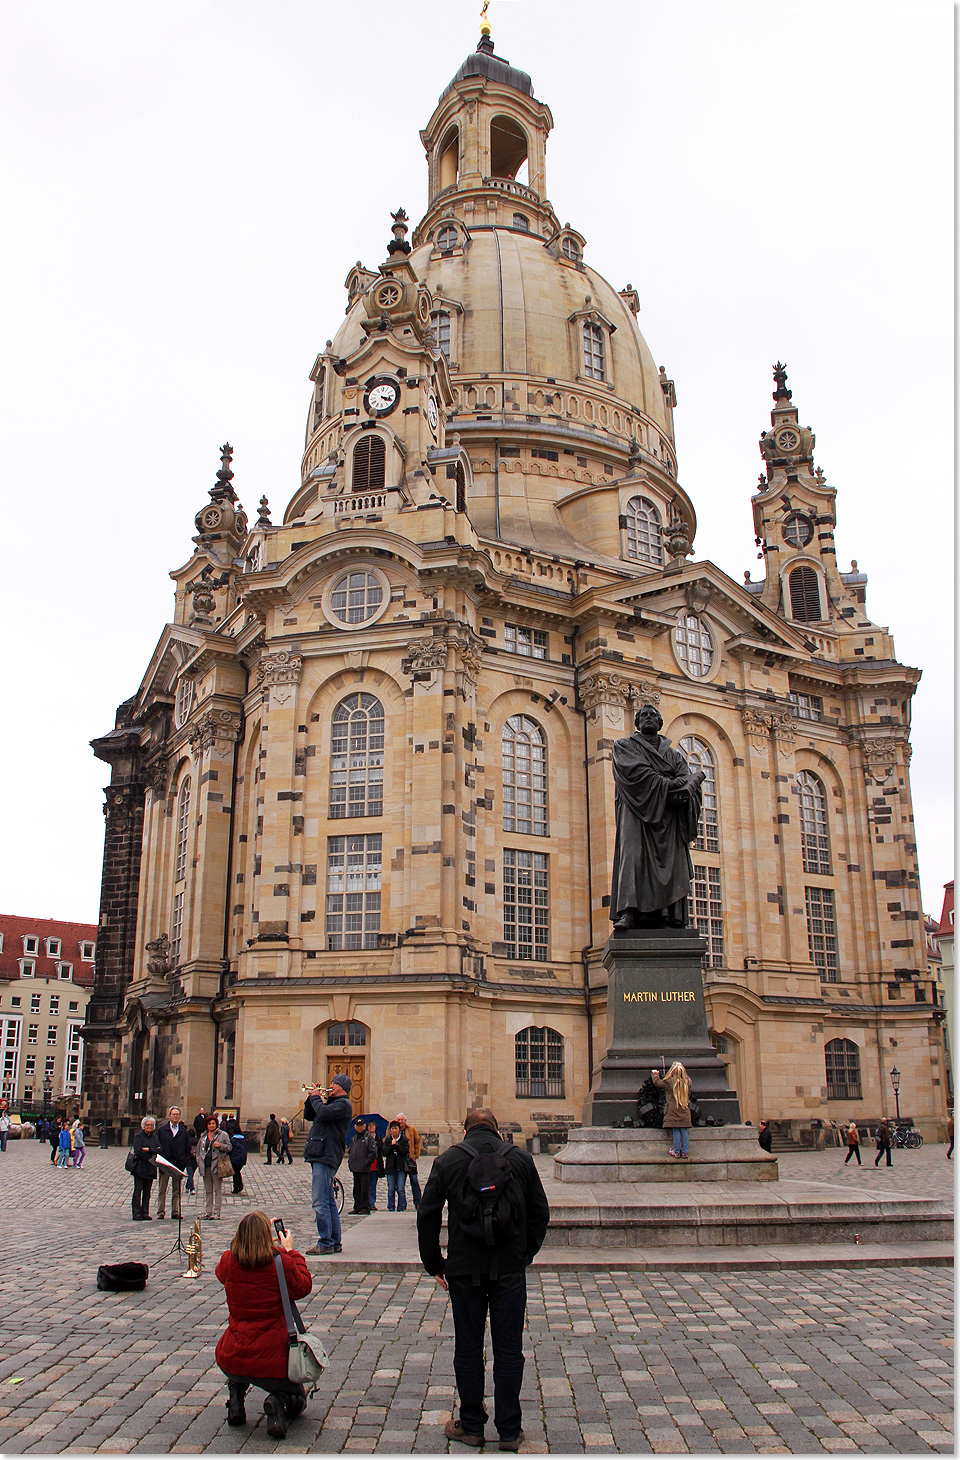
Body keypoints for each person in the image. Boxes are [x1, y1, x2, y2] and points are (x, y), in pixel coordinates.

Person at [418, 1107, 550, 1452]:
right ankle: (509, 1429)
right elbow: (540, 1213)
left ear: (465, 1131)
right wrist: (525, 1254)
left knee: (468, 1347)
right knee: (509, 1350)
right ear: (496, 1128)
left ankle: (473, 1426)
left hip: (463, 1269)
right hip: (508, 1269)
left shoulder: (448, 1161)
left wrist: (435, 1264)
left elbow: (427, 1215)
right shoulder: (519, 1159)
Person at [215, 1210, 312, 1440]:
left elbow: (222, 1271)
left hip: (233, 1355)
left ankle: (236, 1398)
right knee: (298, 1401)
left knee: (241, 1368)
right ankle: (276, 1401)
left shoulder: (229, 1261)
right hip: (272, 1360)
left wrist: (250, 1231)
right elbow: (304, 1286)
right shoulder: (281, 1263)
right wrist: (289, 1250)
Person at [610, 704, 705, 930]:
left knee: (672, 861)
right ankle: (629, 912)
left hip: (668, 818)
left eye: (653, 715)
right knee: (632, 856)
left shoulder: (674, 755)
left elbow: (687, 781)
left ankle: (670, 915)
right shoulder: (624, 746)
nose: (649, 718)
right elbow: (634, 774)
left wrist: (686, 787)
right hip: (635, 811)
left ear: (660, 723)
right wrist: (670, 784)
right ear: (638, 723)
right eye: (644, 715)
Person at [303, 1074, 353, 1254]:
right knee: (329, 1200)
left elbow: (323, 1112)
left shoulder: (343, 1105)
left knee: (320, 1201)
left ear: (342, 1087)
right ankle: (334, 1241)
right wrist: (311, 1099)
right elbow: (310, 1115)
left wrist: (317, 1096)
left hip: (326, 1154)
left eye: (334, 1083)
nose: (330, 1085)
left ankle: (325, 1242)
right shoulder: (332, 1104)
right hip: (320, 1152)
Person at [157, 1106, 193, 1217]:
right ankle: (161, 1211)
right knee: (162, 1189)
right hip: (165, 1164)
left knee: (176, 1190)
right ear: (170, 1116)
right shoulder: (162, 1130)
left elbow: (188, 1148)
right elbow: (158, 1145)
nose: (175, 1116)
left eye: (177, 1114)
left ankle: (175, 1211)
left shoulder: (183, 1131)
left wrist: (184, 1161)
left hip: (178, 1164)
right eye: (174, 1114)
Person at [651, 1061, 693, 1158]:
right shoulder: (687, 1082)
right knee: (684, 1130)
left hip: (673, 1111)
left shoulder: (669, 1082)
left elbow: (657, 1083)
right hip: (684, 1110)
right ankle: (685, 1151)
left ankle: (677, 1151)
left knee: (676, 1130)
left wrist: (655, 1074)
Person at [197, 1115, 234, 1220]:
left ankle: (217, 1212)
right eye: (209, 1124)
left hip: (217, 1165)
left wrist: (220, 1146)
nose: (211, 1125)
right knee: (208, 1190)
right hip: (206, 1166)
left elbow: (229, 1147)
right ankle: (208, 1211)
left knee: (217, 1189)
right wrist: (199, 1162)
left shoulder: (222, 1135)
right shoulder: (203, 1136)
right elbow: (199, 1151)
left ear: (216, 1124)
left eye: (213, 1123)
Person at [131, 1115, 161, 1220]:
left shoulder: (155, 1137)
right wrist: (150, 1154)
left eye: (151, 1125)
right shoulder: (138, 1136)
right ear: (143, 1126)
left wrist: (148, 1149)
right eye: (147, 1125)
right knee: (138, 1191)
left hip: (151, 1167)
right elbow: (138, 1150)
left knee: (147, 1192)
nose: (149, 1127)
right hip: (140, 1167)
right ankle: (136, 1212)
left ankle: (145, 1212)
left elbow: (159, 1149)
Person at [347, 1117, 377, 1214]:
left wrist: (367, 1162)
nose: (359, 1128)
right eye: (358, 1126)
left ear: (364, 1126)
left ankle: (365, 1207)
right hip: (356, 1167)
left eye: (361, 1126)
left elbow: (373, 1152)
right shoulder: (354, 1138)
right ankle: (357, 1206)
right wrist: (350, 1162)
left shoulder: (368, 1137)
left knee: (365, 1189)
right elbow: (351, 1151)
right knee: (357, 1189)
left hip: (364, 1168)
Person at [396, 1112, 422, 1208]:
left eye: (402, 1119)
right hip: (400, 1160)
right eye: (398, 1120)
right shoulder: (395, 1131)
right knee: (400, 1184)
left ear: (405, 1120)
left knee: (414, 1181)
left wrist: (415, 1156)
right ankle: (402, 1204)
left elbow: (417, 1142)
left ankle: (418, 1202)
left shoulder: (411, 1129)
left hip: (410, 1159)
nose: (400, 1121)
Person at [382, 1121, 410, 1212]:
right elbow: (384, 1152)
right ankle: (391, 1206)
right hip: (390, 1168)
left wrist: (397, 1146)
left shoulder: (403, 1140)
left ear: (399, 1129)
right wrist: (391, 1145)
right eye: (393, 1129)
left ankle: (401, 1206)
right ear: (390, 1130)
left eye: (396, 1128)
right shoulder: (387, 1140)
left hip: (400, 1167)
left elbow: (405, 1151)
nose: (394, 1131)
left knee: (401, 1188)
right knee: (391, 1189)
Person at [227, 1118, 247, 1194]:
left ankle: (237, 1187)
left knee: (235, 1173)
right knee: (237, 1172)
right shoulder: (243, 1139)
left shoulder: (233, 1139)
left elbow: (230, 1149)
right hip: (242, 1158)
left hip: (235, 1158)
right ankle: (239, 1185)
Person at [368, 1120, 384, 1211]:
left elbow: (382, 1148)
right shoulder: (365, 1137)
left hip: (375, 1165)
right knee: (365, 1185)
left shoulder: (378, 1137)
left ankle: (372, 1203)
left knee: (373, 1185)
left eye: (372, 1125)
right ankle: (365, 1202)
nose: (371, 1127)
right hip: (366, 1165)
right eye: (369, 1125)